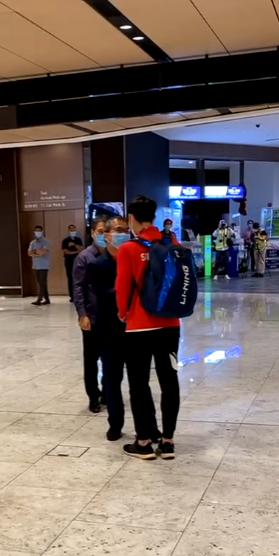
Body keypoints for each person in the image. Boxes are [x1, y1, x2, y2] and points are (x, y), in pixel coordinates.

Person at [116, 195, 180, 461]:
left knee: (139, 383)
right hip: (170, 323)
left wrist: (123, 313)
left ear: (131, 218)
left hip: (139, 326)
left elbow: (122, 287)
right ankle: (168, 442)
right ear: (154, 217)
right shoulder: (172, 242)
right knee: (169, 381)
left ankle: (143, 442)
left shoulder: (129, 248)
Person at [89, 217, 130, 440]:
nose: (122, 234)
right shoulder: (98, 264)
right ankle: (115, 424)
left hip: (134, 330)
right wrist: (125, 288)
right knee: (112, 382)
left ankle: (148, 425)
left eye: (125, 230)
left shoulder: (134, 259)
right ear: (107, 235)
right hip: (109, 330)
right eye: (118, 230)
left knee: (139, 382)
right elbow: (102, 294)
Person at [73, 218, 106, 413]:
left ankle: (107, 393)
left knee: (111, 359)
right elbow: (78, 287)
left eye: (106, 231)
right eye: (100, 231)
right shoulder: (84, 257)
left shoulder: (114, 255)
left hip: (111, 317)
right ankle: (93, 396)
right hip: (92, 317)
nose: (103, 235)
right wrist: (82, 314)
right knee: (91, 360)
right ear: (92, 233)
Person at [28, 225, 51, 305]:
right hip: (35, 265)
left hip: (43, 265)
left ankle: (39, 299)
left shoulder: (46, 241)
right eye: (36, 231)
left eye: (39, 231)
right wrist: (37, 252)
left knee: (42, 283)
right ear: (34, 232)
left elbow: (43, 252)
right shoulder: (32, 242)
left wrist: (35, 252)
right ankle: (47, 299)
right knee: (42, 283)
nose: (38, 232)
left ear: (42, 231)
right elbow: (29, 253)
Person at [61, 224, 84, 302]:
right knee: (70, 278)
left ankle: (79, 295)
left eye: (74, 230)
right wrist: (76, 251)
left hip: (78, 261)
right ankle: (72, 296)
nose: (72, 231)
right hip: (69, 262)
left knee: (78, 278)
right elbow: (66, 252)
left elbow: (81, 249)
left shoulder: (78, 240)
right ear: (68, 230)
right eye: (71, 230)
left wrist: (75, 246)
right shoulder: (65, 240)